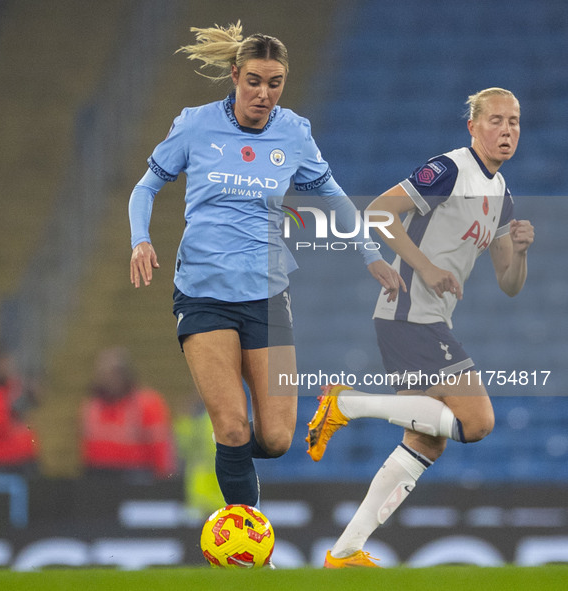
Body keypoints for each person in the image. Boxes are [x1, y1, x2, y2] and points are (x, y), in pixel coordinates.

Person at [129, 21, 404, 509]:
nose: (263, 94)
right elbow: (146, 186)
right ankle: (245, 542)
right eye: (254, 81)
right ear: (235, 75)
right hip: (204, 293)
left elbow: (333, 195)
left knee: (275, 438)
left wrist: (371, 254)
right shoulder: (195, 124)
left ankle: (227, 452)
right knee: (233, 424)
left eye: (274, 83)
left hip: (268, 296)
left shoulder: (294, 132)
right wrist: (140, 240)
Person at [306, 87, 534, 567]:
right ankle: (346, 402)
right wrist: (426, 268)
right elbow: (380, 212)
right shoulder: (450, 169)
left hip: (426, 318)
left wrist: (521, 251)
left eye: (513, 121)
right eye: (496, 120)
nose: (507, 129)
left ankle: (345, 551)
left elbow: (509, 283)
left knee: (427, 439)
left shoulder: (501, 195)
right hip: (409, 313)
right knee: (478, 422)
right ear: (472, 126)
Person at [80, 347, 177, 481]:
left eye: (113, 373)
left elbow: (161, 447)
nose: (107, 379)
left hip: (138, 478)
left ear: (125, 374)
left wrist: (163, 481)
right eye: (102, 373)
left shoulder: (147, 404)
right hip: (99, 477)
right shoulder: (92, 407)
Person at [0, 343, 39, 475]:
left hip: (22, 459)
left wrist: (30, 393)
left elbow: (35, 397)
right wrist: (12, 409)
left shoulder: (9, 385)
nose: (9, 368)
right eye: (4, 364)